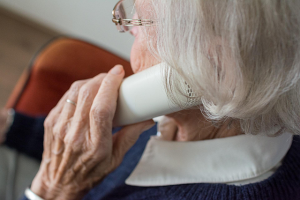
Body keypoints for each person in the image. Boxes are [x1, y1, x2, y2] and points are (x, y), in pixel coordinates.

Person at [1, 0, 300, 199]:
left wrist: (52, 188)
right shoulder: (185, 112)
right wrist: (12, 126)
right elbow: (92, 141)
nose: (126, 28)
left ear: (214, 70)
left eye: (138, 23)